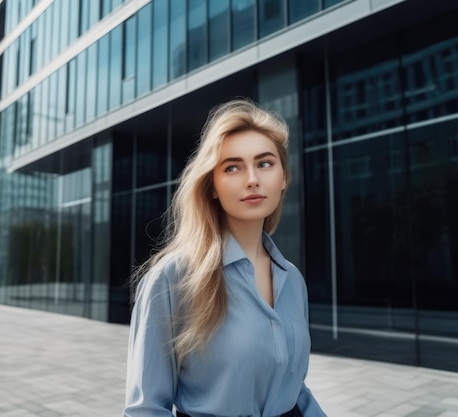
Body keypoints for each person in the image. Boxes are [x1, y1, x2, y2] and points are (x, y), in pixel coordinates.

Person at [124, 98, 327, 417]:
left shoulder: (293, 279)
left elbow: (292, 387)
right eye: (233, 167)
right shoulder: (172, 279)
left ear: (283, 177)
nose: (252, 179)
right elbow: (146, 410)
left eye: (265, 163)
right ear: (213, 186)